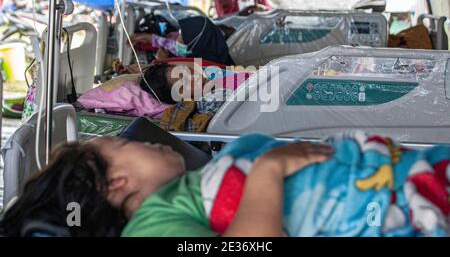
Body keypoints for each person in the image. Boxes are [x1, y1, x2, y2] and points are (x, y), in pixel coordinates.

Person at [0, 136, 331, 237]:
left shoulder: (175, 200)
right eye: (124, 141)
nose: (143, 138)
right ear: (115, 183)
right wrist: (268, 172)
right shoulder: (150, 229)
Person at [126, 16, 235, 67]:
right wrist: (145, 37)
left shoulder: (208, 66)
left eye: (182, 37)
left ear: (195, 43)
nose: (177, 38)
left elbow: (183, 87)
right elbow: (169, 45)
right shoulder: (199, 52)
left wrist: (164, 63)